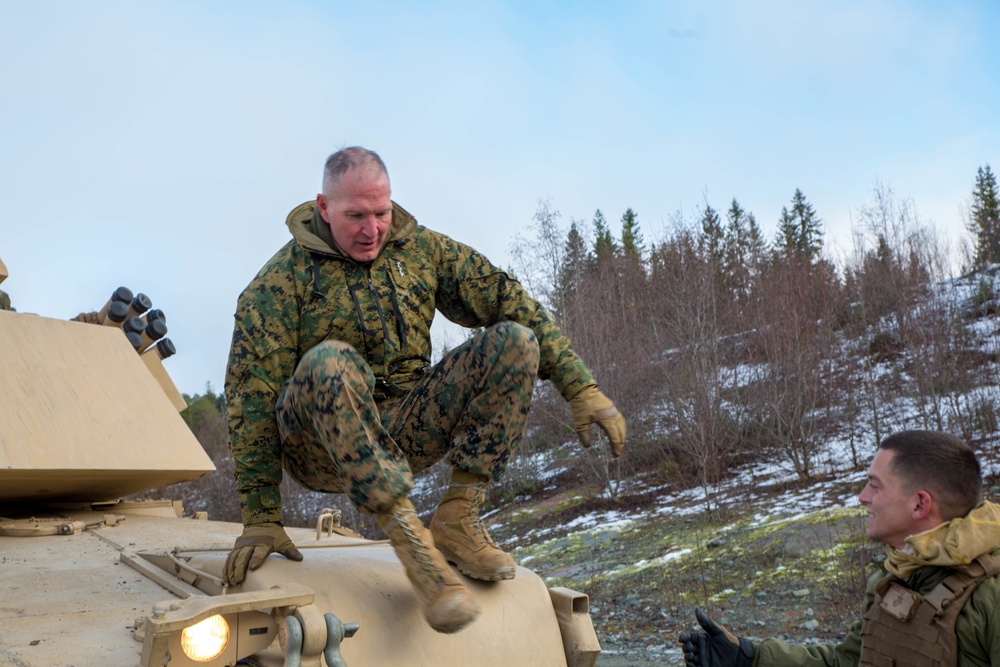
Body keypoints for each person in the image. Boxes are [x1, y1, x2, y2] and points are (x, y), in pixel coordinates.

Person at [223, 146, 626, 634]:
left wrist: (579, 384)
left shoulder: (421, 251)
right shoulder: (278, 285)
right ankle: (414, 547)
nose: (372, 230)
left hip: (408, 427)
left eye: (381, 213)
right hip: (320, 446)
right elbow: (251, 398)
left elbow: (508, 300)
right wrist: (262, 515)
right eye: (355, 216)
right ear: (324, 209)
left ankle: (459, 517)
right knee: (330, 361)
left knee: (514, 341)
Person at [679, 429, 1000, 667]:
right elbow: (847, 662)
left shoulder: (990, 597)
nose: (862, 497)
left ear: (919, 504)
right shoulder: (893, 578)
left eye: (874, 485)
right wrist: (750, 658)